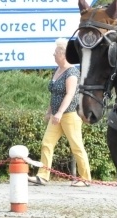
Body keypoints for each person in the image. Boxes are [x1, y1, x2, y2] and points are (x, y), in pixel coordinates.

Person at [28, 38, 92, 187]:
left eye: (56, 52)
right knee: (46, 143)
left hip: (69, 115)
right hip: (56, 115)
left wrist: (59, 113)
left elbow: (69, 95)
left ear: (63, 54)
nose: (53, 54)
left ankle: (85, 178)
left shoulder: (72, 72)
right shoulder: (57, 70)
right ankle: (43, 176)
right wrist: (49, 111)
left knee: (76, 145)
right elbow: (55, 94)